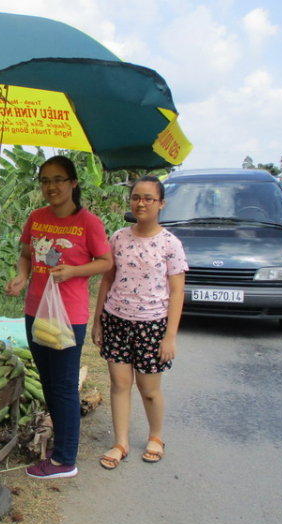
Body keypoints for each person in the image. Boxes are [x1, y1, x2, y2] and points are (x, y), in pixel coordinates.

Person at [6, 155, 112, 479]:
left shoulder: (88, 222)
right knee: (50, 382)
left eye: (58, 180)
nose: (51, 187)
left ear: (73, 183)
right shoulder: (36, 217)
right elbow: (26, 254)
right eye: (45, 181)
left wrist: (75, 271)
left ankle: (65, 459)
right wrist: (22, 277)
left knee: (64, 385)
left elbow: (106, 262)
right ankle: (60, 444)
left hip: (69, 315)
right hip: (36, 310)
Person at [91, 175, 187, 470]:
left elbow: (177, 291)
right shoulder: (118, 237)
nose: (141, 202)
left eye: (148, 198)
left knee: (148, 389)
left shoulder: (170, 243)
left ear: (161, 204)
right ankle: (120, 442)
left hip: (152, 325)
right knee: (119, 384)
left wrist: (169, 336)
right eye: (136, 197)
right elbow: (107, 279)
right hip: (117, 320)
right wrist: (98, 322)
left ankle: (155, 436)